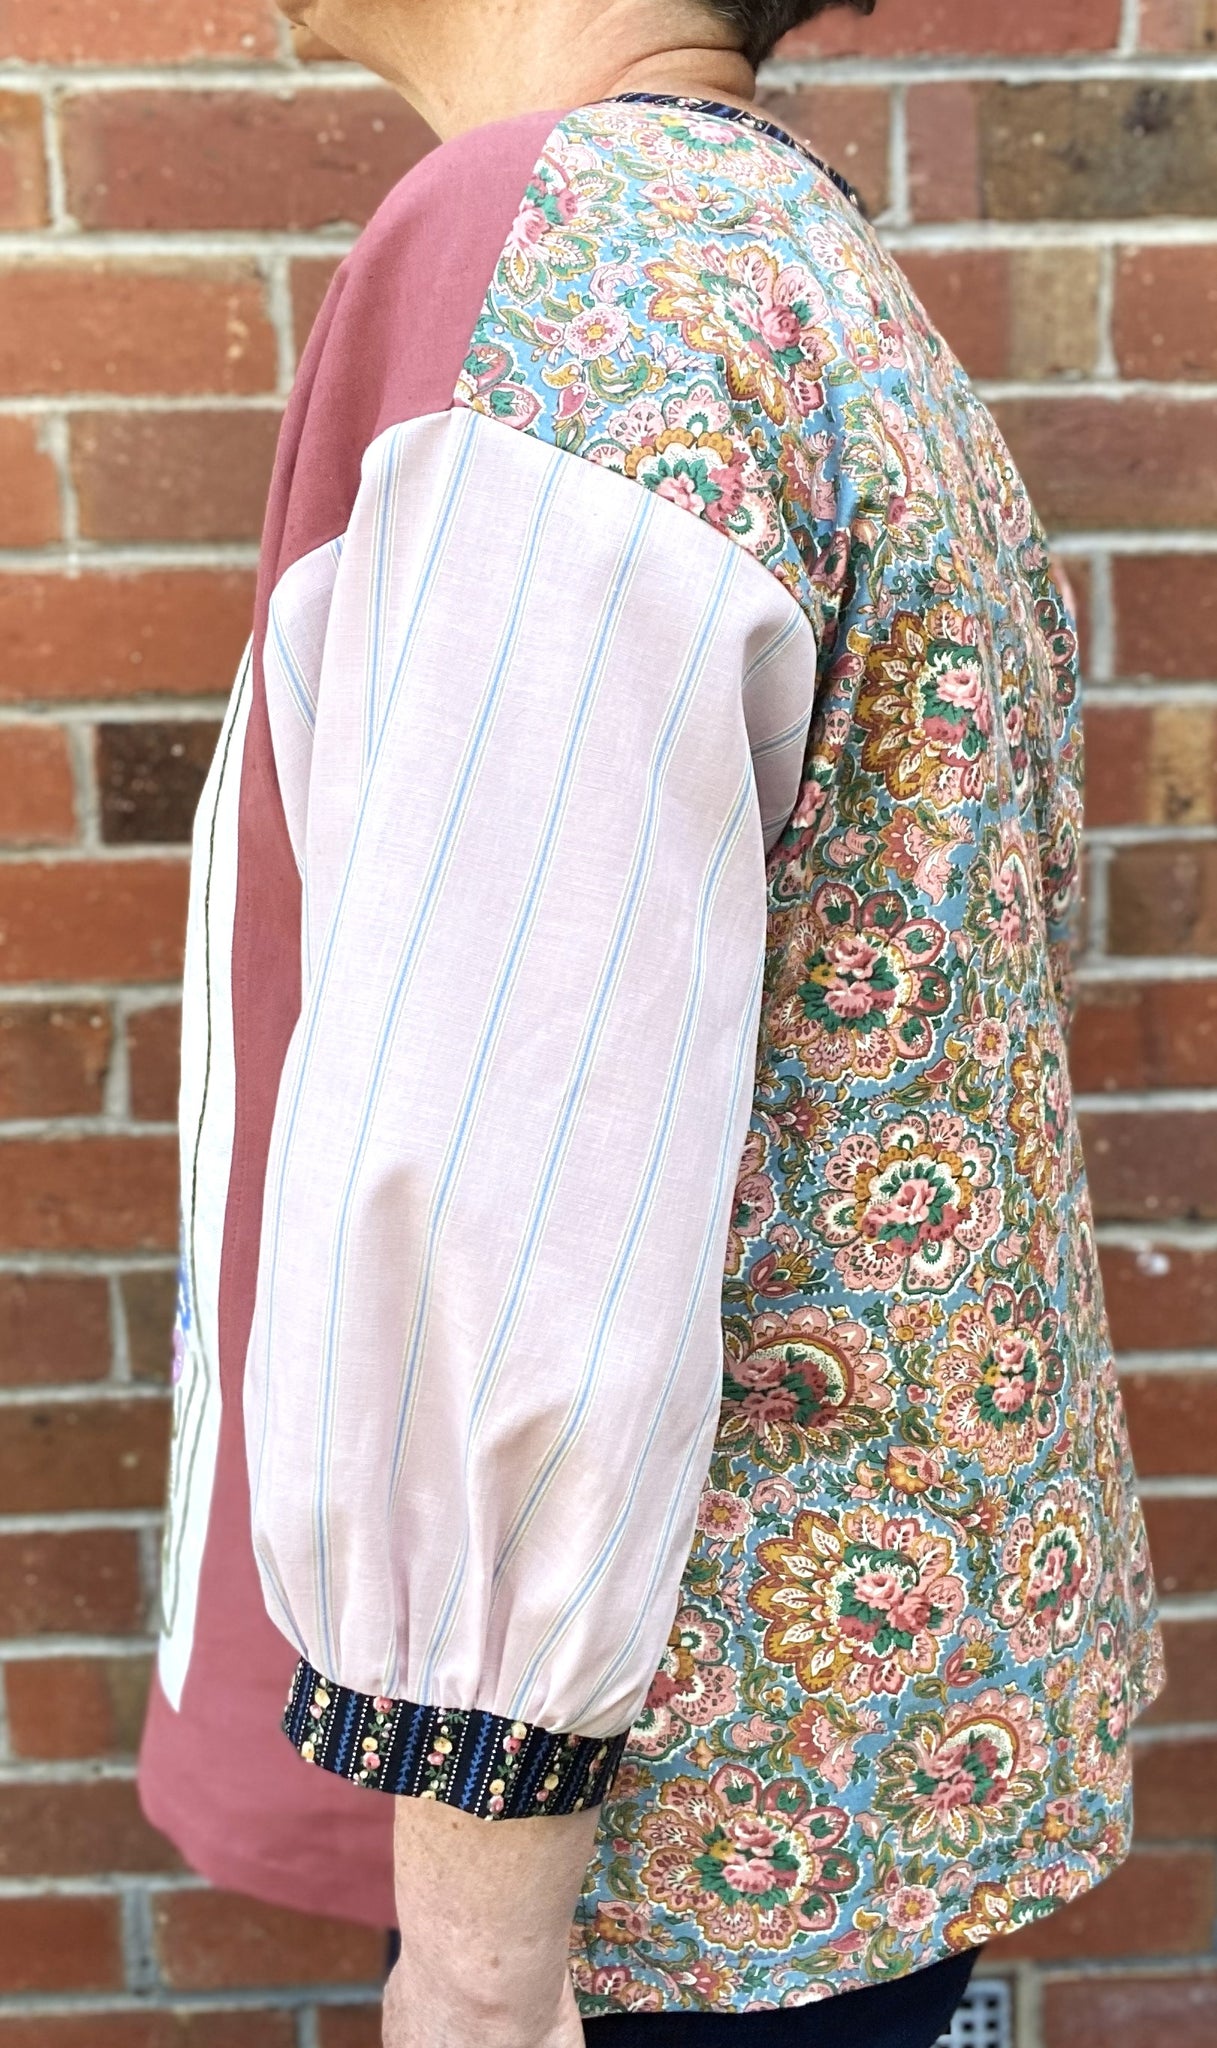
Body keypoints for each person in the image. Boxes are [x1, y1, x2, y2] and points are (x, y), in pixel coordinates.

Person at [137, 2, 1166, 2043]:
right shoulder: (801, 267)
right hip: (863, 1759)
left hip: (652, 1836)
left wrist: (482, 1967)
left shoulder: (566, 266)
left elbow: (518, 1165)